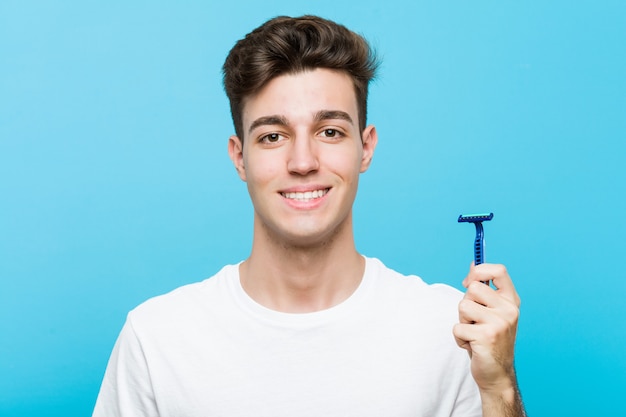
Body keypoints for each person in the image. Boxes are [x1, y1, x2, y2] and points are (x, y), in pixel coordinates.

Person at [93, 15, 525, 417]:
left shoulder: (452, 330)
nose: (303, 161)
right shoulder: (156, 340)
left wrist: (500, 389)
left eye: (330, 131)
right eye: (273, 136)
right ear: (239, 157)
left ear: (366, 147)